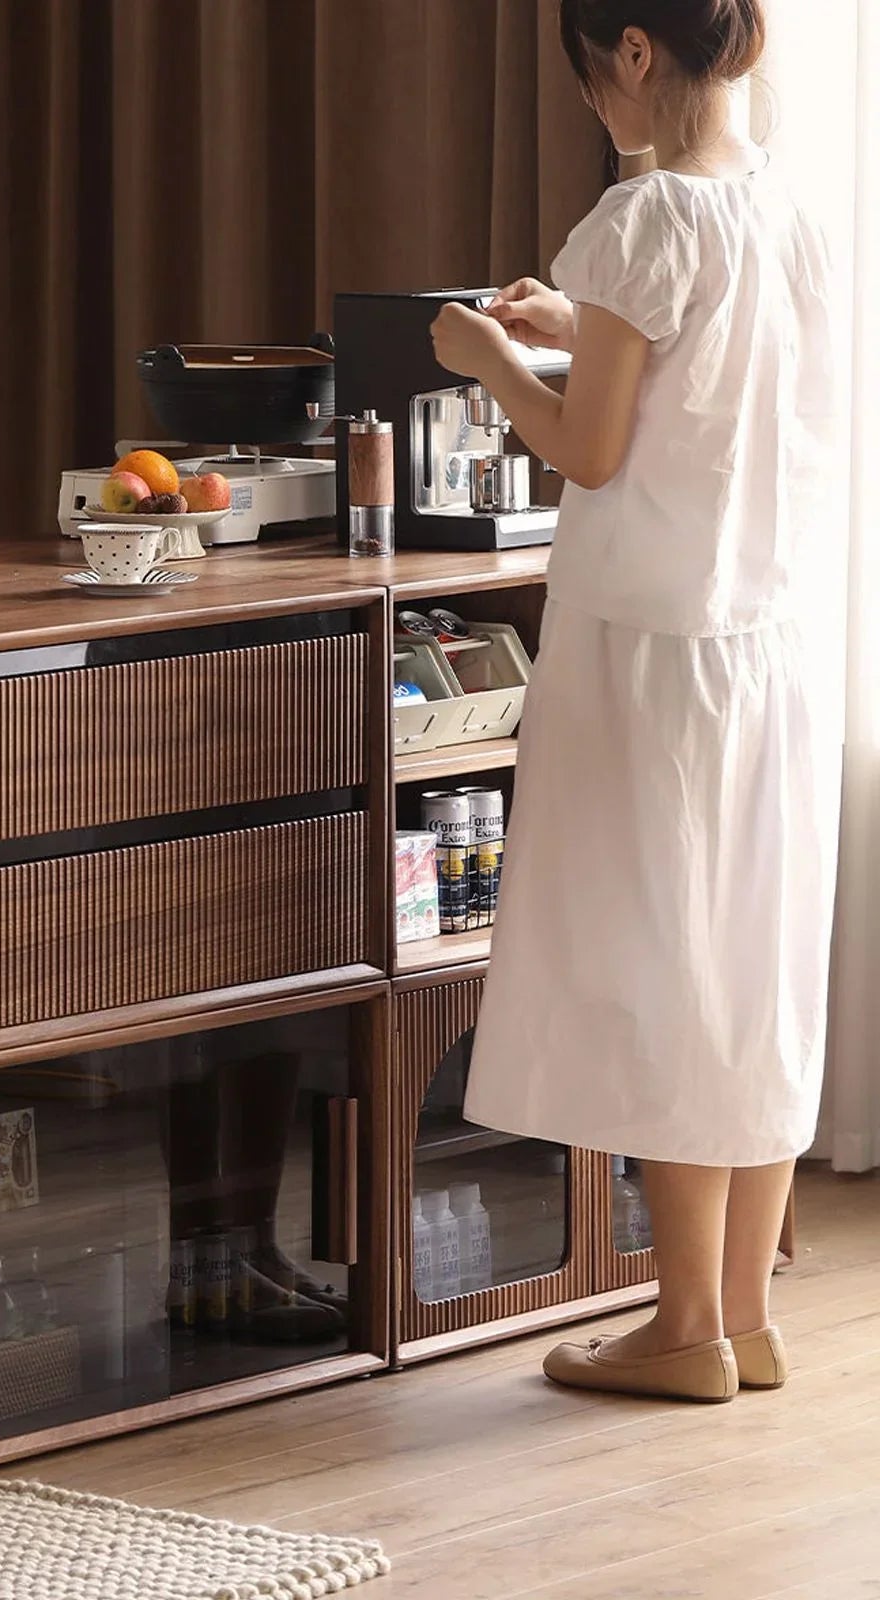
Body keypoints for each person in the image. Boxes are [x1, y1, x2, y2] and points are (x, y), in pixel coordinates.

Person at [430, 0, 841, 1403]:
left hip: (653, 649)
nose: (593, 108)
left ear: (633, 52)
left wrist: (490, 363)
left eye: (589, 80)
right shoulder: (788, 210)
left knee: (663, 968)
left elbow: (591, 452)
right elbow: (704, 395)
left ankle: (680, 1333)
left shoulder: (638, 218)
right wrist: (576, 330)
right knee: (751, 966)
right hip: (771, 640)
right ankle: (740, 1315)